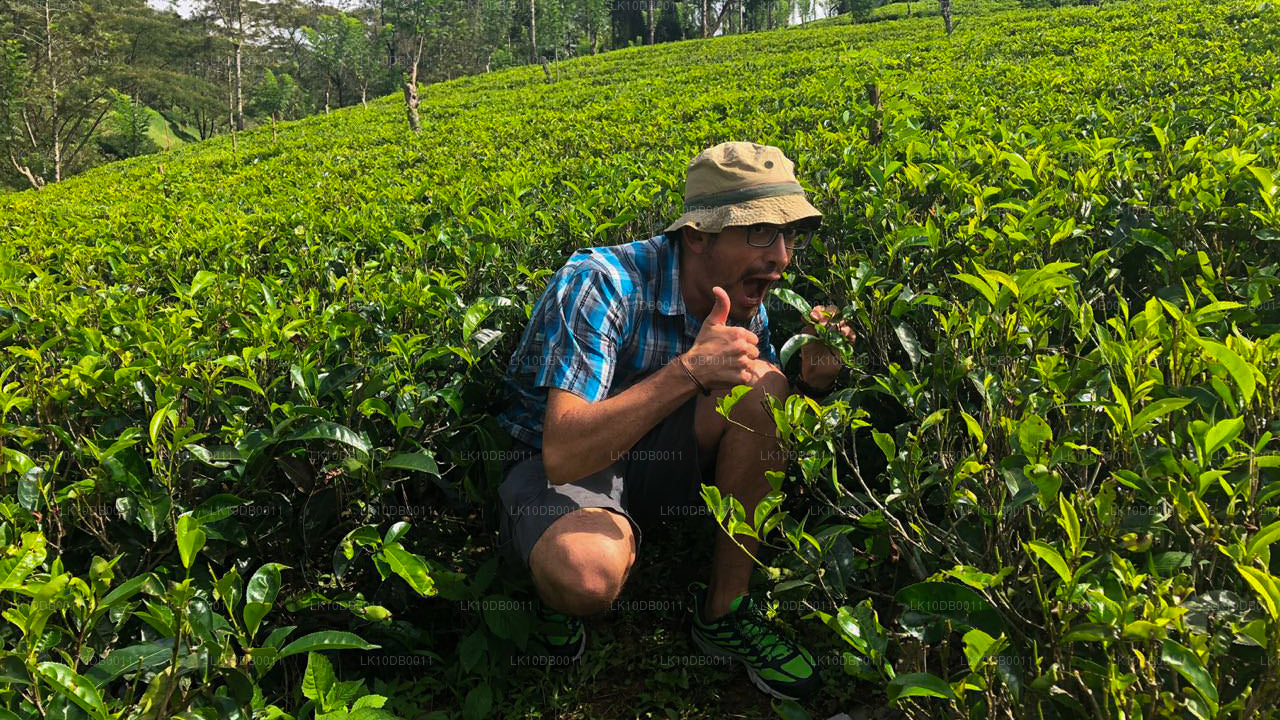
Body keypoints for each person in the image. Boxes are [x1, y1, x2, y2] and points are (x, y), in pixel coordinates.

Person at [495, 141, 855, 701]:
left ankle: (724, 615)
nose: (781, 257)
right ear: (698, 236)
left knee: (767, 388)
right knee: (584, 574)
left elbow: (778, 400)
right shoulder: (602, 283)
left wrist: (815, 375)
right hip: (562, 465)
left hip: (659, 454)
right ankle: (553, 582)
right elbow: (563, 452)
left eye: (790, 237)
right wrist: (689, 371)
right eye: (760, 232)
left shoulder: (754, 297)